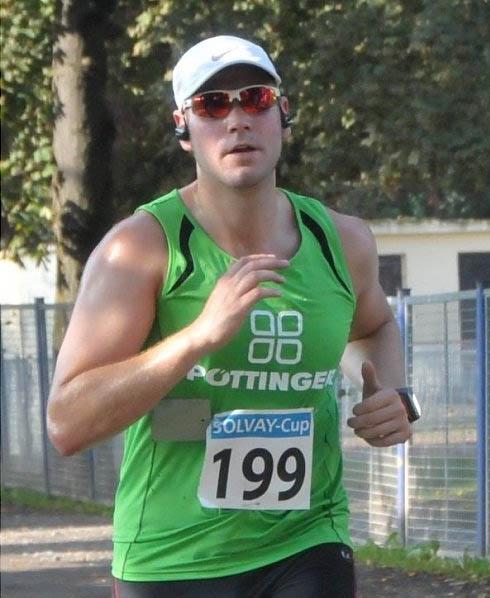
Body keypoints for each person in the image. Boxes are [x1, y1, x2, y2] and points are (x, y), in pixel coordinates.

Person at [47, 35, 417, 598]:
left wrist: (392, 394)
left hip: (307, 538)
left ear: (283, 114)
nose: (238, 119)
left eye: (256, 99)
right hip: (173, 557)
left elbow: (373, 328)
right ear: (184, 127)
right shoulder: (141, 249)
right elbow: (67, 423)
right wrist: (197, 337)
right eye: (213, 104)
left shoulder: (342, 241)